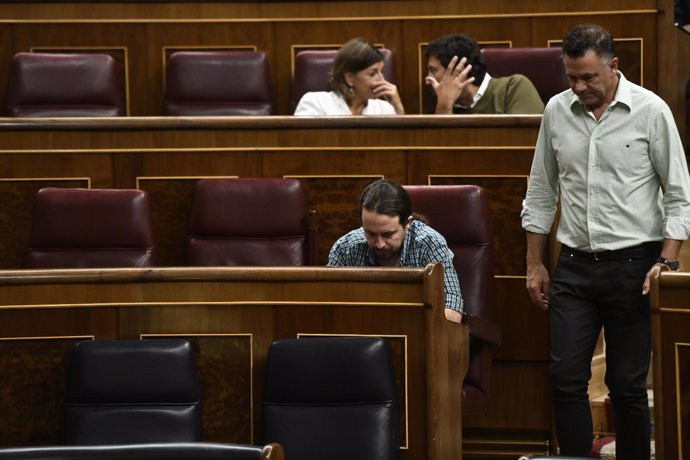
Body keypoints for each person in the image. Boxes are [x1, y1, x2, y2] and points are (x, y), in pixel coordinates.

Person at [521, 23, 690, 459]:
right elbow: (541, 192)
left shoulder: (651, 111)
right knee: (564, 378)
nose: (578, 87)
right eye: (571, 77)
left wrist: (668, 262)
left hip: (636, 267)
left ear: (614, 66)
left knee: (628, 385)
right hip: (574, 266)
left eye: (588, 77)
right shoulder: (557, 112)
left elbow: (678, 194)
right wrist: (535, 263)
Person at [327, 179, 463, 319]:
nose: (379, 244)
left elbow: (452, 309)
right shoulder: (345, 248)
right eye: (371, 234)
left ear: (407, 223)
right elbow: (325, 304)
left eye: (388, 234)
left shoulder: (429, 243)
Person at [424, 33, 544, 114]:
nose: (428, 78)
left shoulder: (513, 88)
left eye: (433, 70)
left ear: (458, 71)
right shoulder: (442, 105)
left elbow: (524, 143)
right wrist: (444, 107)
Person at [294, 38, 405, 116]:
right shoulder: (315, 103)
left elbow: (400, 144)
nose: (381, 80)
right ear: (349, 78)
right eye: (372, 73)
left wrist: (398, 107)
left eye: (382, 72)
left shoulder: (384, 109)